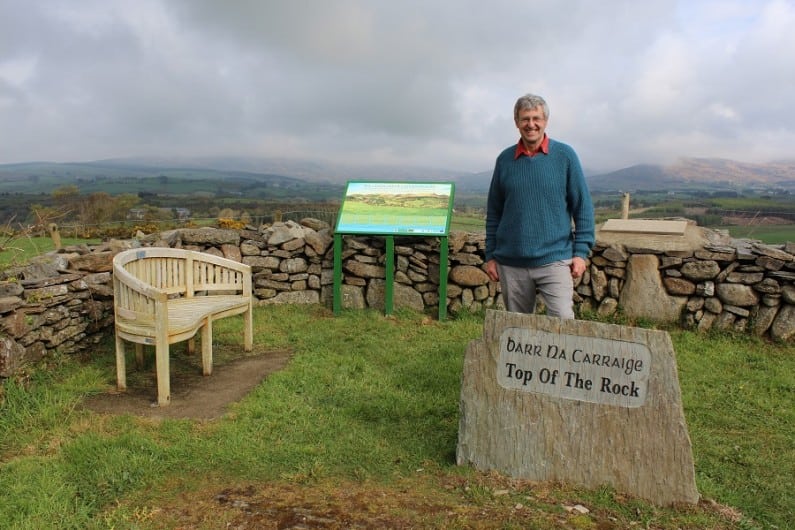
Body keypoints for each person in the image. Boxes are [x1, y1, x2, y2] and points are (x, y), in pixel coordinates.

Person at [485, 93, 595, 319]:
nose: (531, 124)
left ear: (545, 121)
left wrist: (581, 253)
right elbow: (494, 212)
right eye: (525, 119)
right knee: (519, 332)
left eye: (536, 118)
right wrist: (490, 255)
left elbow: (582, 207)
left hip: (555, 259)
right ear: (516, 122)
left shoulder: (565, 156)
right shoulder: (504, 160)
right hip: (511, 262)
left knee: (563, 324)